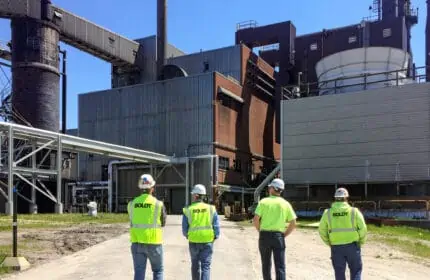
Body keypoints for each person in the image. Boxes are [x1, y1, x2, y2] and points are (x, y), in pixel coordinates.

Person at [318, 187, 367, 280]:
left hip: (336, 247)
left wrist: (329, 242)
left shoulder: (327, 213)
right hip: (353, 246)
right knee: (356, 271)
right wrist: (361, 242)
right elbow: (363, 228)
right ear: (346, 198)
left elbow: (321, 230)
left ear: (335, 198)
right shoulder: (354, 211)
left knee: (339, 272)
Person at [253, 178, 297, 280]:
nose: (269, 189)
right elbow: (293, 222)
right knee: (280, 266)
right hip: (278, 236)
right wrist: (284, 235)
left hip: (264, 236)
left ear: (273, 188)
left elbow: (256, 220)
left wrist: (261, 231)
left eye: (270, 187)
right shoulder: (285, 204)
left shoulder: (264, 202)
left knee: (266, 265)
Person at [128, 174, 167, 280]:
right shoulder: (159, 204)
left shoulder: (131, 204)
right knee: (158, 271)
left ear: (140, 188)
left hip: (137, 242)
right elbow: (163, 223)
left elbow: (132, 220)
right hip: (154, 243)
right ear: (152, 188)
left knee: (139, 272)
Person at [182, 184, 220, 280]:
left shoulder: (188, 210)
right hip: (207, 240)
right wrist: (215, 236)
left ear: (196, 196)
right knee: (205, 266)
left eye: (193, 195)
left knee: (195, 265)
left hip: (193, 241)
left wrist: (188, 236)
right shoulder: (211, 209)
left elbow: (184, 229)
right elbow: (216, 226)